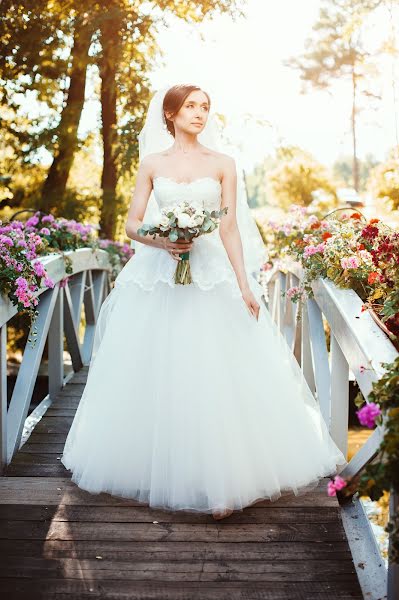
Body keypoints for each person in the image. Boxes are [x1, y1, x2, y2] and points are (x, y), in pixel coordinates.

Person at [61, 84, 347, 521]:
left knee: (214, 372)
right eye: (191, 106)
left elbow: (229, 229)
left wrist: (244, 285)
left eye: (206, 107)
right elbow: (132, 224)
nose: (200, 113)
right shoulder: (152, 163)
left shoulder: (224, 164)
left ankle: (223, 485)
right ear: (171, 114)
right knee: (162, 370)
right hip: (160, 275)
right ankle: (159, 467)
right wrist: (164, 241)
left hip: (212, 275)